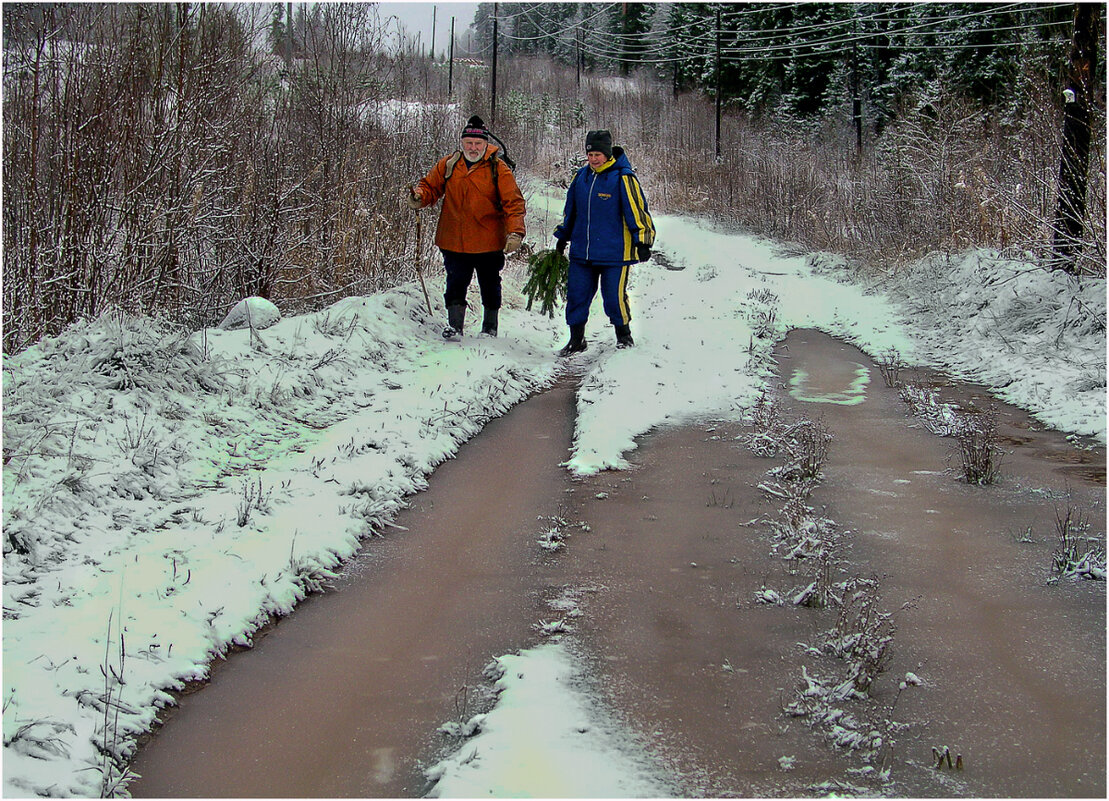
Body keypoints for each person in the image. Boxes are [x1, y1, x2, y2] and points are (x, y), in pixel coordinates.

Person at [407, 115, 526, 339]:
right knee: (455, 282)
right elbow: (430, 187)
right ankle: (455, 327)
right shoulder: (449, 164)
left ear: (485, 144)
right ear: (462, 143)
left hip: (489, 240)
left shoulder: (498, 168)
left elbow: (514, 202)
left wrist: (516, 232)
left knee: (490, 283)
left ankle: (490, 328)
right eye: (469, 143)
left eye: (478, 143)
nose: (473, 148)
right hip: (454, 239)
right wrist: (419, 197)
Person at [552, 129, 655, 355]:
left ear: (608, 154)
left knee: (613, 297)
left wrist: (643, 241)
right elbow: (571, 211)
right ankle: (576, 340)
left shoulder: (623, 178)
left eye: (598, 154)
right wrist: (563, 235)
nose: (593, 159)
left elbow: (637, 211)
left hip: (615, 254)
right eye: (590, 155)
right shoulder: (581, 177)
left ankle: (624, 336)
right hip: (583, 252)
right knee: (577, 296)